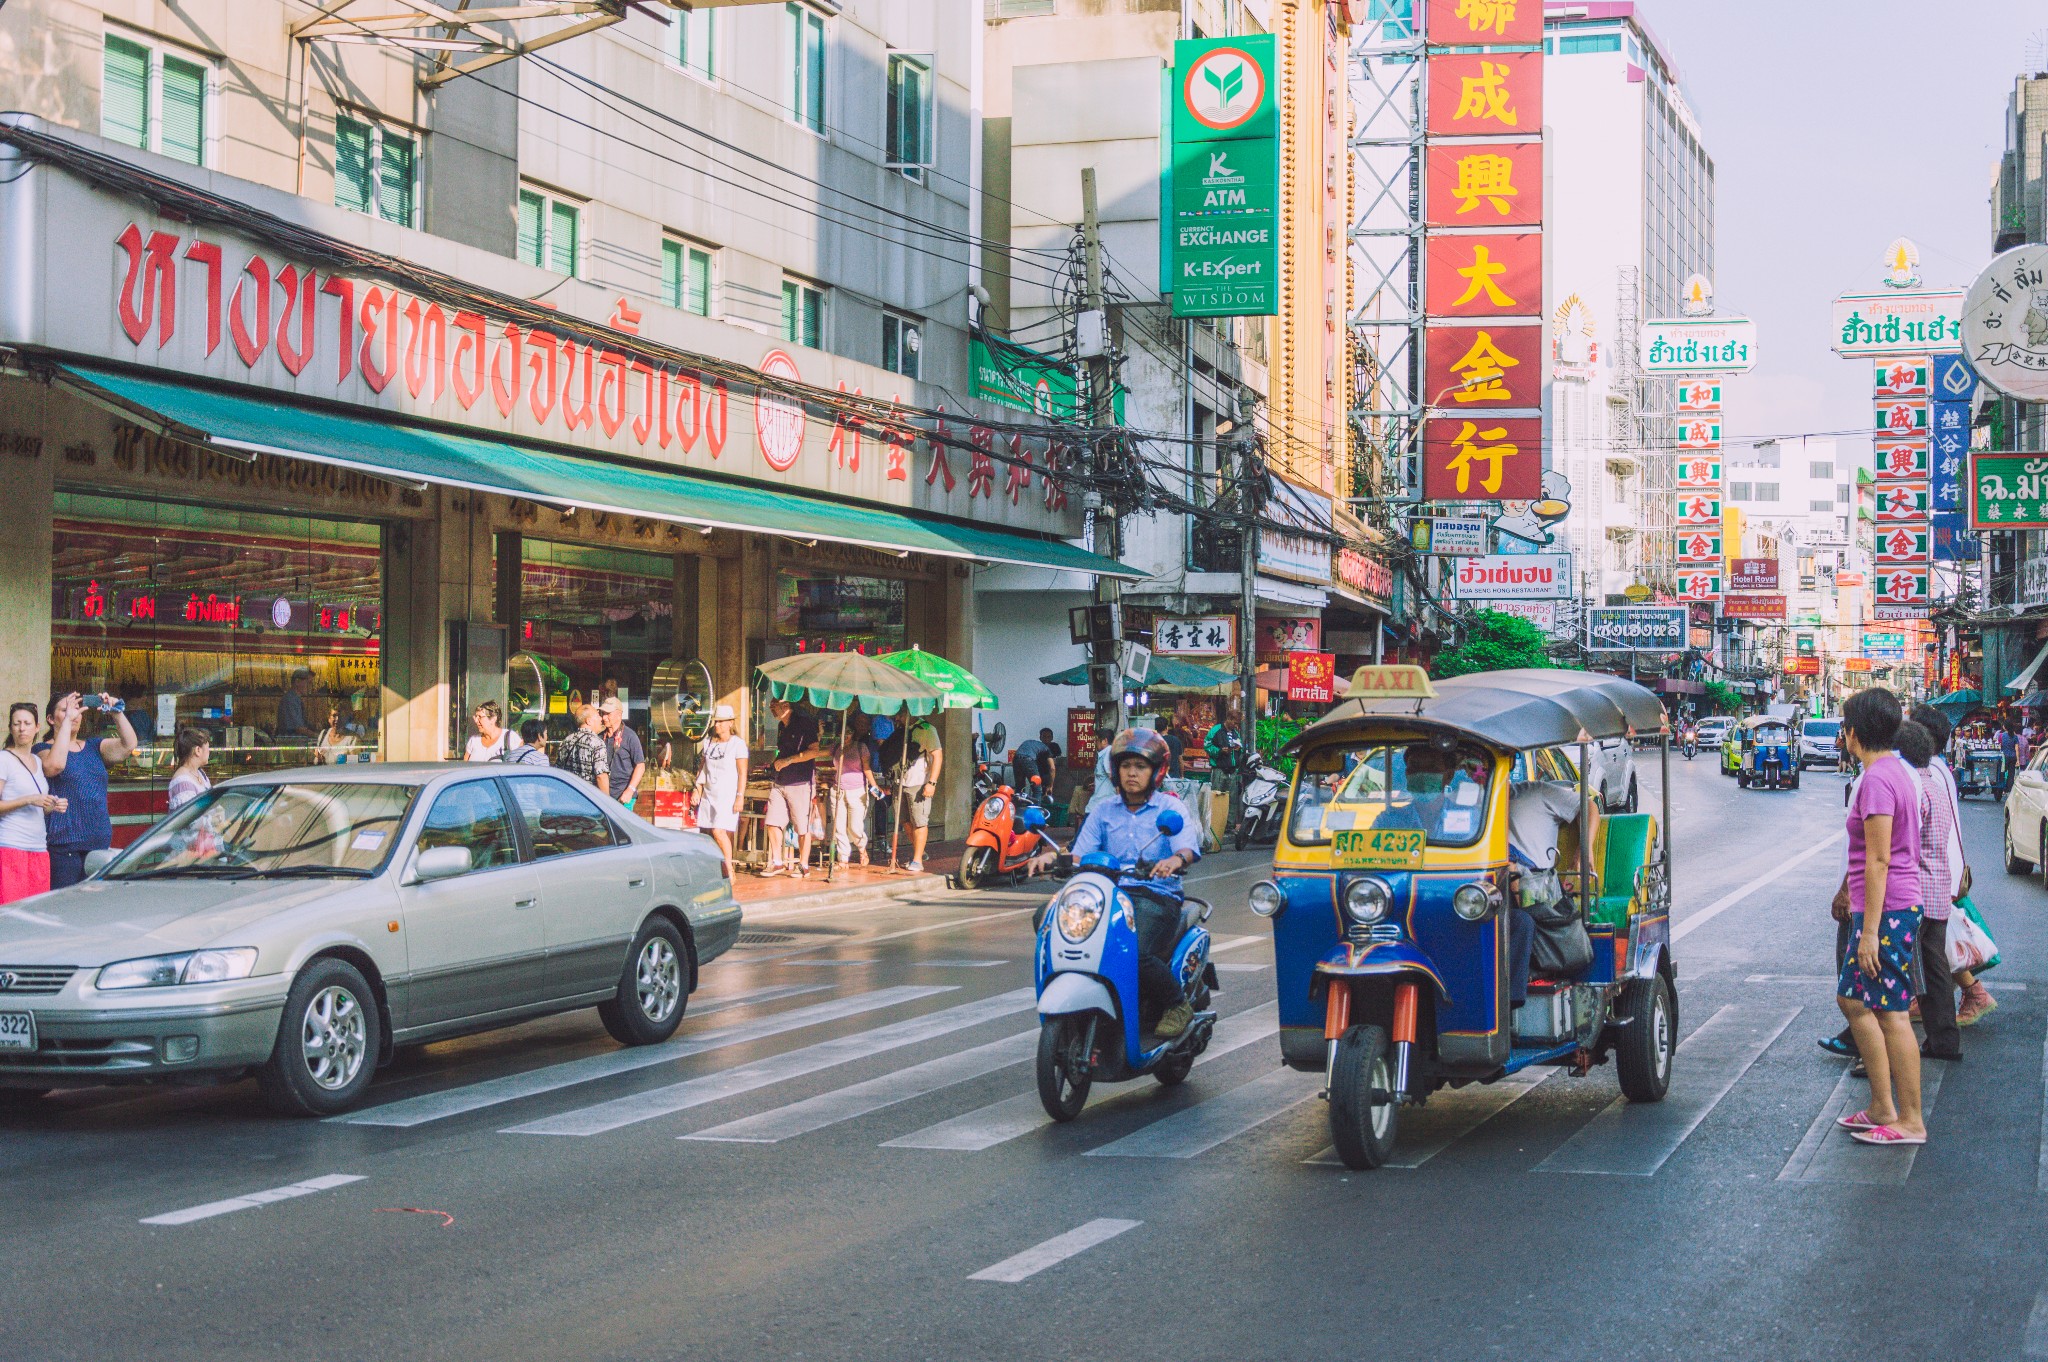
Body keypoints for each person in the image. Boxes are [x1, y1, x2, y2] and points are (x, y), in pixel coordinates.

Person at [1057, 728, 1203, 1037]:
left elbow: (1187, 849)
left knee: (1134, 953)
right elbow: (1082, 854)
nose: (1132, 774)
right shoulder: (1103, 811)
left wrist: (1174, 861)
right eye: (1126, 766)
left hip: (1155, 895)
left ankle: (1176, 1004)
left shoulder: (1170, 809)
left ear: (1155, 771)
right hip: (1107, 896)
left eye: (1140, 767)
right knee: (1049, 924)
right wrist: (1052, 858)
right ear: (1115, 771)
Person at [1835, 687, 1927, 1147]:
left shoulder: (1877, 780)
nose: (1842, 732)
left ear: (1856, 731)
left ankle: (1910, 1119)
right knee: (1853, 1000)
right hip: (1885, 907)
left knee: (1891, 1013)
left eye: (1844, 723)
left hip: (1888, 911)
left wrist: (1869, 930)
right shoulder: (1896, 771)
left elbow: (1878, 859)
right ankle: (1882, 1106)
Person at [1893, 719, 1962, 1061]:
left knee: (1898, 969)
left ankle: (1886, 1047)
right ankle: (1944, 1040)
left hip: (1915, 891)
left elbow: (1908, 843)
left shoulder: (1915, 791)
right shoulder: (1935, 784)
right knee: (1936, 971)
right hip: (1938, 888)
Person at [1504, 771, 1593, 1011]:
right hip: (1490, 889)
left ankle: (1508, 1005)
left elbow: (1588, 806)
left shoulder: (1538, 792)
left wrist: (1584, 849)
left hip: (1536, 889)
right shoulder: (1470, 802)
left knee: (1522, 922)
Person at [37, 691, 139, 890]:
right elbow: (54, 766)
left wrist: (117, 713)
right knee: (65, 906)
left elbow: (129, 745)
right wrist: (66, 723)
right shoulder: (41, 749)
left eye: (76, 710)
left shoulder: (93, 746)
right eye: (65, 710)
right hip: (64, 846)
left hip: (98, 842)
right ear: (50, 719)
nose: (73, 715)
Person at [1, 702, 67, 904]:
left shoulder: (37, 761)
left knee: (35, 912)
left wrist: (52, 805)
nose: (22, 728)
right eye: (17, 723)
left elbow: (40, 808)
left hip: (38, 848)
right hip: (11, 847)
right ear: (10, 728)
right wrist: (30, 799)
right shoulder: (4, 759)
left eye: (27, 723)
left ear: (37, 727)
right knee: (11, 914)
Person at [762, 698, 822, 878]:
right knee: (772, 821)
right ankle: (777, 862)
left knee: (801, 826)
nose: (772, 709)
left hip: (800, 782)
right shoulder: (782, 726)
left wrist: (789, 760)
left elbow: (814, 751)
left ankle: (803, 864)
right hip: (780, 781)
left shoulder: (804, 724)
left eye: (774, 706)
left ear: (786, 706)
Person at [695, 704, 748, 880]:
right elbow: (703, 768)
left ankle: (729, 868)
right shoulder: (709, 742)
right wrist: (698, 788)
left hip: (727, 795)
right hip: (709, 793)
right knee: (708, 832)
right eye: (716, 721)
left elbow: (742, 772)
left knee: (719, 831)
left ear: (730, 723)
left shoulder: (737, 744)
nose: (717, 725)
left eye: (721, 722)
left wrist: (740, 796)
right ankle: (714, 868)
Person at [890, 713, 942, 874]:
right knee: (905, 821)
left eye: (900, 715)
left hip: (919, 782)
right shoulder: (900, 731)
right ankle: (920, 851)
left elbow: (937, 755)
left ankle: (917, 859)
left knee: (919, 821)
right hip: (900, 783)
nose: (896, 718)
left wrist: (932, 783)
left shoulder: (927, 729)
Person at [831, 715, 879, 867]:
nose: (846, 736)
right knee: (839, 827)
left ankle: (861, 848)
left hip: (857, 792)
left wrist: (875, 788)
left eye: (849, 732)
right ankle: (843, 858)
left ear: (853, 733)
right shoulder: (836, 748)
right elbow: (819, 753)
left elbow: (867, 769)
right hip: (837, 790)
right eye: (843, 733)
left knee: (854, 827)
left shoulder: (861, 747)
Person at [553, 704, 610, 793]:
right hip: (588, 797)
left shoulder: (566, 741)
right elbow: (601, 776)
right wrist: (607, 802)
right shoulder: (596, 743)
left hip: (568, 795)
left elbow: (558, 770)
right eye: (598, 715)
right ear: (589, 721)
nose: (601, 718)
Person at [600, 697, 646, 807]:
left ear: (619, 715)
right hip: (603, 797)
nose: (604, 717)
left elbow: (640, 765)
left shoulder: (630, 736)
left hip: (624, 797)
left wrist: (630, 790)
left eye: (608, 714)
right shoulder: (600, 736)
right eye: (603, 713)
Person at [167, 727, 212, 812]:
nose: (209, 751)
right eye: (208, 747)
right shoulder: (182, 782)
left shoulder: (200, 773)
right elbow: (188, 819)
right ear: (198, 750)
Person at [1012, 727, 1058, 792]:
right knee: (1037, 788)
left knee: (1019, 787)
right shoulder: (1045, 748)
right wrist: (1050, 786)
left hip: (1016, 759)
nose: (1046, 739)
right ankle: (1037, 801)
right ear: (1040, 737)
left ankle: (1018, 801)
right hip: (1030, 763)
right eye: (1044, 736)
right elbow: (1052, 768)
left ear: (1052, 738)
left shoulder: (1054, 747)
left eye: (1048, 737)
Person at [277, 668, 317, 739]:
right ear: (297, 682)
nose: (311, 686)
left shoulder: (296, 699)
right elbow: (299, 728)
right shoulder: (290, 700)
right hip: (291, 744)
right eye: (309, 682)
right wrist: (318, 736)